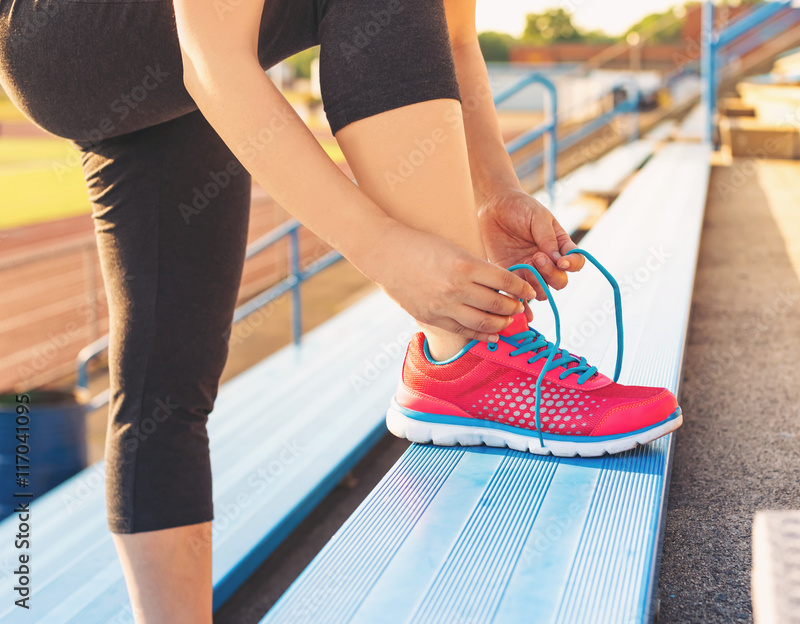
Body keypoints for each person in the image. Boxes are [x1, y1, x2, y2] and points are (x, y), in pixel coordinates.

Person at [0, 0, 681, 621]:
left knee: (165, 386)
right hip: (60, 28)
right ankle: (463, 356)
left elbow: (453, 34)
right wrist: (389, 254)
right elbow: (214, 63)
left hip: (159, 59)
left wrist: (494, 193)